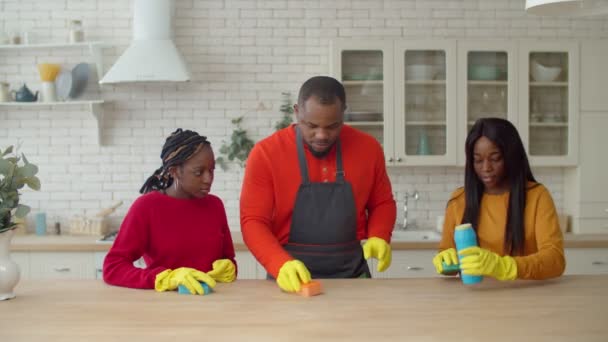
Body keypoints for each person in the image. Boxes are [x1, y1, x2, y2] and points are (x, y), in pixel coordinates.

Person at [240, 76, 397, 293]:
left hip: (353, 277)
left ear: (344, 113)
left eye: (332, 126)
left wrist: (380, 234)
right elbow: (253, 221)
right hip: (290, 277)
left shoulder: (369, 149)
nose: (322, 135)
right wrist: (279, 263)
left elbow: (382, 203)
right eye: (311, 125)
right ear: (297, 111)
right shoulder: (266, 154)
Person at [103, 129, 237, 294]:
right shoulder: (147, 207)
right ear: (174, 171)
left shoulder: (215, 206)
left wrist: (228, 268)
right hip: (164, 307)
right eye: (198, 172)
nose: (208, 179)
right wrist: (164, 278)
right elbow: (113, 268)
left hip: (213, 303)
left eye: (212, 170)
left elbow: (228, 260)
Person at [433, 118, 565, 281]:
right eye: (478, 160)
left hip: (526, 296)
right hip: (476, 297)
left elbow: (555, 260)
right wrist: (445, 262)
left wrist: (503, 267)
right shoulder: (459, 200)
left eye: (495, 158)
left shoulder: (537, 196)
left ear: (511, 157)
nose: (486, 168)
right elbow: (448, 258)